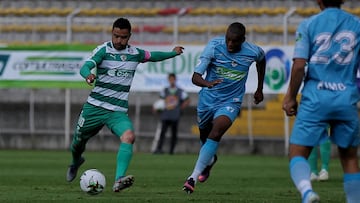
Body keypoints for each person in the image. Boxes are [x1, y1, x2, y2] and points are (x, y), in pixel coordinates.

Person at [65, 17, 184, 192]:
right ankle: (76, 161)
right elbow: (86, 66)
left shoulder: (135, 53)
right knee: (78, 143)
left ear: (129, 36)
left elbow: (153, 56)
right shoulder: (103, 50)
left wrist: (172, 53)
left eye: (123, 37)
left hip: (117, 112)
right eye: (116, 36)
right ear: (112, 33)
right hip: (95, 107)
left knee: (129, 136)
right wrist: (88, 75)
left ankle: (119, 179)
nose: (119, 40)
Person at [282, 0, 360, 202]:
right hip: (346, 98)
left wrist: (290, 97)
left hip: (316, 98)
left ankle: (307, 192)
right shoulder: (357, 24)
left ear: (318, 0)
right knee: (350, 158)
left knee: (297, 152)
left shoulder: (308, 24)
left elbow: (299, 66)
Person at [182, 22, 266, 194]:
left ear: (243, 40)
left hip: (231, 101)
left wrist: (259, 88)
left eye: (234, 41)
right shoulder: (214, 46)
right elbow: (195, 77)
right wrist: (208, 83)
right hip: (207, 100)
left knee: (216, 132)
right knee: (205, 136)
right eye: (228, 40)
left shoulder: (253, 51)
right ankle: (209, 160)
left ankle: (192, 177)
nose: (230, 44)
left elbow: (262, 61)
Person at [152, 73, 190, 155]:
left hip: (175, 115)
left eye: (173, 79)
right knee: (162, 133)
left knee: (174, 134)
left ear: (175, 80)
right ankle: (159, 149)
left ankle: (171, 150)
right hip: (165, 115)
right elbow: (160, 102)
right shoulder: (165, 90)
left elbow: (187, 100)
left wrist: (180, 108)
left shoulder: (180, 91)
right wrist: (157, 108)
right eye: (170, 79)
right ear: (168, 80)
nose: (171, 81)